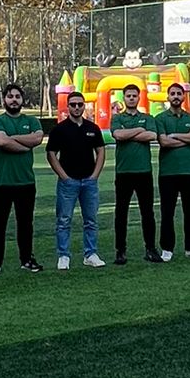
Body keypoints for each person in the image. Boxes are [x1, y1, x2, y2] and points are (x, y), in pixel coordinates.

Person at [0, 81, 45, 273]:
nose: (14, 100)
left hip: (26, 182)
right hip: (2, 182)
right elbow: (1, 141)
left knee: (26, 223)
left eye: (17, 97)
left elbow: (37, 138)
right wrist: (24, 144)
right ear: (4, 99)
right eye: (10, 96)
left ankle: (27, 259)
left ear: (22, 100)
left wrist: (12, 139)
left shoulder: (32, 120)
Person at [45, 88, 106, 268]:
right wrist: (64, 176)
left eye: (80, 104)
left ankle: (91, 254)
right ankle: (63, 255)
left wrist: (95, 175)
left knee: (91, 220)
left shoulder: (92, 128)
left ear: (84, 106)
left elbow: (101, 151)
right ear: (68, 107)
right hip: (68, 182)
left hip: (89, 181)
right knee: (64, 220)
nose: (77, 107)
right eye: (73, 105)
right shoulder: (59, 129)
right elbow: (51, 154)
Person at [155, 81, 190, 261]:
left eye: (179, 93)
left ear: (183, 96)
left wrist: (175, 136)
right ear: (168, 97)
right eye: (173, 94)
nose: (176, 96)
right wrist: (187, 139)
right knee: (167, 212)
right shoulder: (160, 118)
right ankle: (167, 248)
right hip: (168, 173)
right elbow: (164, 142)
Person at [110, 81, 160, 264]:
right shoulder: (117, 118)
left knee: (147, 212)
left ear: (139, 97)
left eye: (134, 96)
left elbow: (152, 135)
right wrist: (139, 130)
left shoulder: (148, 117)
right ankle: (120, 251)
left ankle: (151, 249)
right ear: (124, 98)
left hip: (144, 171)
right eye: (128, 96)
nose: (131, 98)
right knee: (121, 212)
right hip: (123, 172)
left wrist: (129, 133)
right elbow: (118, 135)